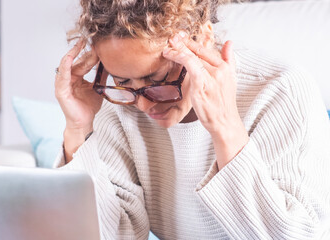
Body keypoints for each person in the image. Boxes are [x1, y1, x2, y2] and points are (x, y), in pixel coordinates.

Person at [53, 0, 330, 239]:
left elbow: (299, 235)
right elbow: (118, 234)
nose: (145, 103)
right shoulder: (122, 103)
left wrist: (224, 127)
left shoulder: (281, 90)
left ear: (203, 37)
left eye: (158, 79)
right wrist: (78, 130)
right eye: (122, 79)